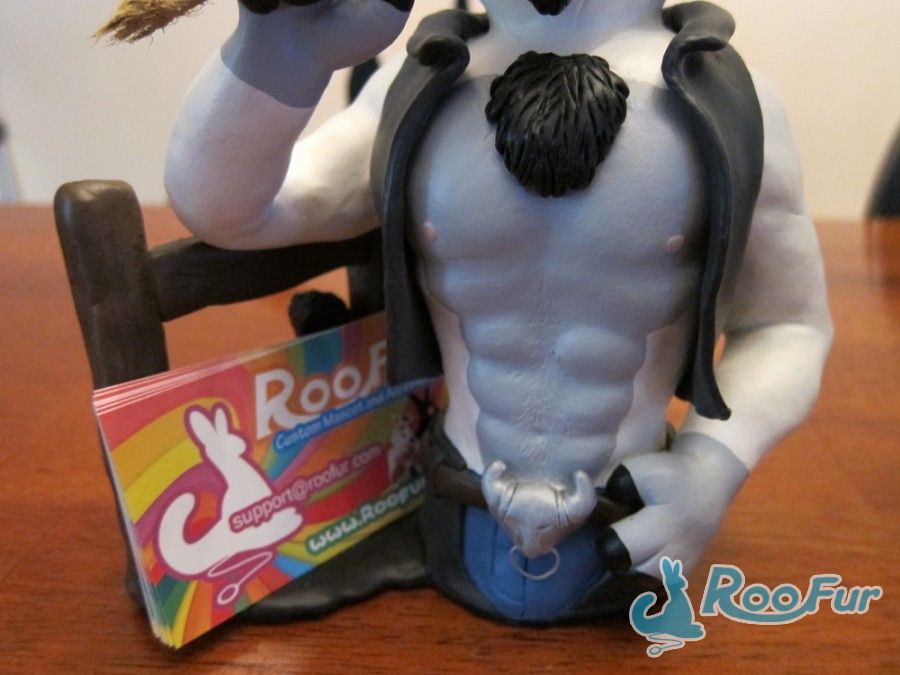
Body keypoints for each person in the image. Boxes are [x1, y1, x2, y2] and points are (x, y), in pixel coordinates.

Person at [163, 0, 832, 622]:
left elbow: (787, 323)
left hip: (633, 534)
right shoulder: (417, 87)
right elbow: (236, 212)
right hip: (445, 512)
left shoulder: (731, 106)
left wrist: (711, 467)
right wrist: (283, 51)